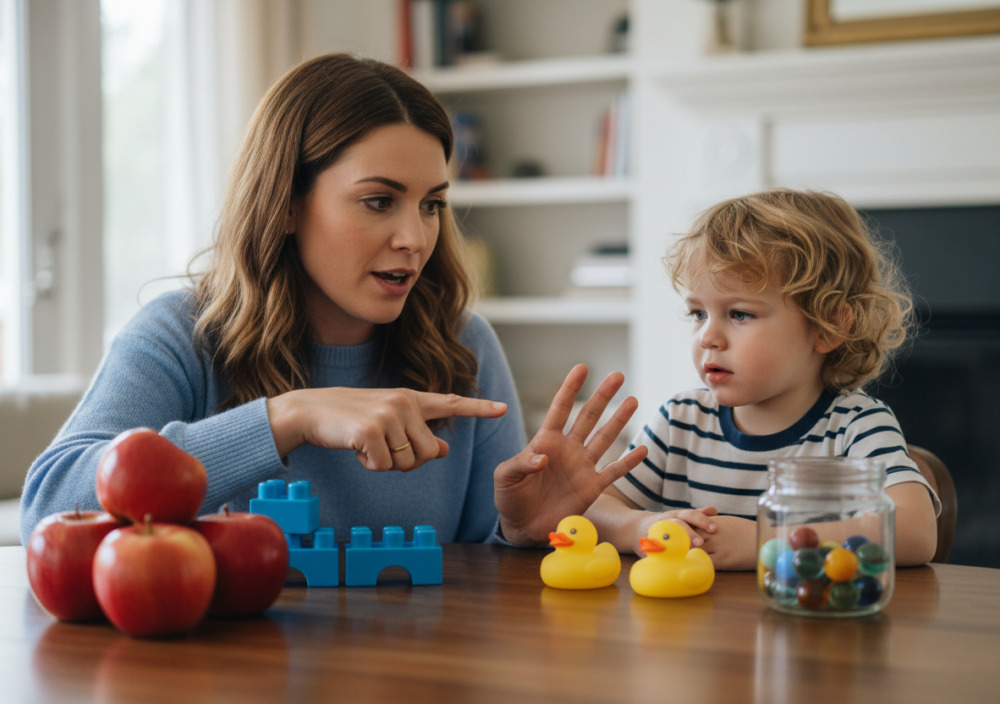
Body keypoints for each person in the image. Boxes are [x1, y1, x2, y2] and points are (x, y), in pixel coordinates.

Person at [19, 54, 646, 547]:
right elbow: (50, 508)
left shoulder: (464, 343)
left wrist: (520, 531)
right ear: (288, 203)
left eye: (432, 204)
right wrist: (287, 418)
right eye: (379, 201)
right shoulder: (181, 334)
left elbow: (485, 565)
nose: (415, 238)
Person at [585, 189, 940, 570]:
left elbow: (917, 533)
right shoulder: (680, 421)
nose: (707, 336)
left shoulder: (855, 426)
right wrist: (642, 524)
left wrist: (769, 541)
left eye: (739, 314)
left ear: (830, 325)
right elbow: (593, 508)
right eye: (698, 313)